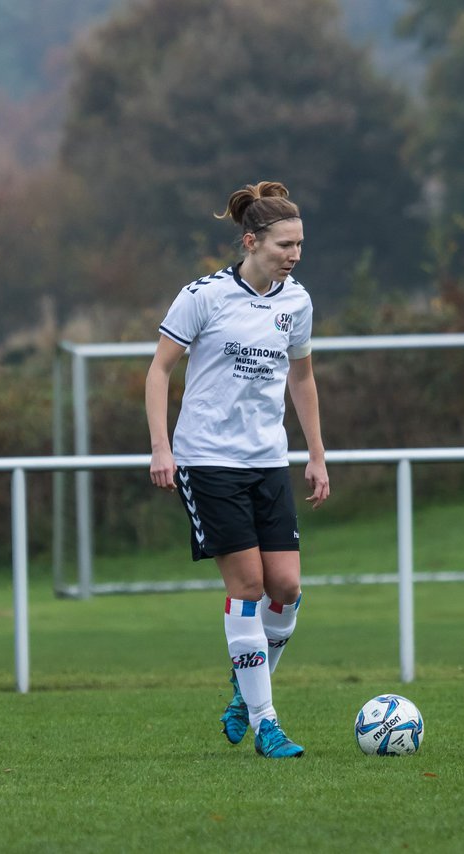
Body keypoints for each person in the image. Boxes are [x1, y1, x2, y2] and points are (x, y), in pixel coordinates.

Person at [145, 181, 330, 758]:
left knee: (288, 587)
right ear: (251, 241)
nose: (294, 254)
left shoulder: (295, 303)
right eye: (284, 245)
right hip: (207, 461)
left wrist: (317, 453)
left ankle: (245, 692)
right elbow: (158, 372)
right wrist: (161, 447)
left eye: (299, 244)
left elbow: (301, 377)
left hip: (267, 460)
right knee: (248, 586)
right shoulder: (202, 296)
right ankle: (266, 720)